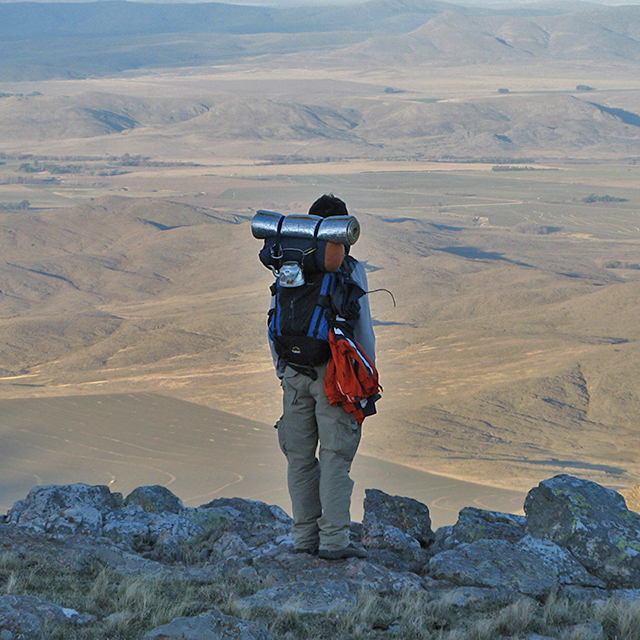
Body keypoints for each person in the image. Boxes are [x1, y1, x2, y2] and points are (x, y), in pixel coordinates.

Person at [268, 194, 376, 560]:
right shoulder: (350, 269)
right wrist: (366, 381)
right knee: (334, 457)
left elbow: (273, 320)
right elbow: (363, 330)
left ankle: (303, 540)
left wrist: (283, 371)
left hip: (293, 373)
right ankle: (333, 543)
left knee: (299, 458)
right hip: (337, 378)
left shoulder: (288, 264)